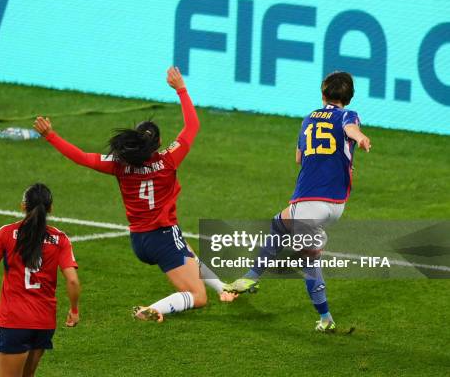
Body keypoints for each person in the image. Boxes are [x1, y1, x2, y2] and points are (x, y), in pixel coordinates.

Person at [33, 67, 235, 323]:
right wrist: (180, 88)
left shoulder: (120, 164)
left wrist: (50, 135)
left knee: (186, 247)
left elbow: (82, 158)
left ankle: (223, 288)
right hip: (162, 237)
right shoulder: (168, 160)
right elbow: (192, 125)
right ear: (158, 144)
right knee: (197, 295)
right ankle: (154, 309)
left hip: (139, 241)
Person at [225, 71, 371, 332]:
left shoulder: (309, 119)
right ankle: (325, 319)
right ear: (348, 98)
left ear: (322, 93)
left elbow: (298, 158)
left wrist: (350, 139)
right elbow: (350, 129)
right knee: (283, 227)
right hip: (337, 204)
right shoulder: (348, 115)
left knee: (302, 253)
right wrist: (358, 138)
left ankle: (253, 277)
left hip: (309, 200)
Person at [0, 183, 80, 376]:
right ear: (50, 208)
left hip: (14, 321)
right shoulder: (60, 239)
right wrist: (74, 310)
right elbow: (73, 281)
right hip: (44, 323)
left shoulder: (6, 233)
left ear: (23, 206)